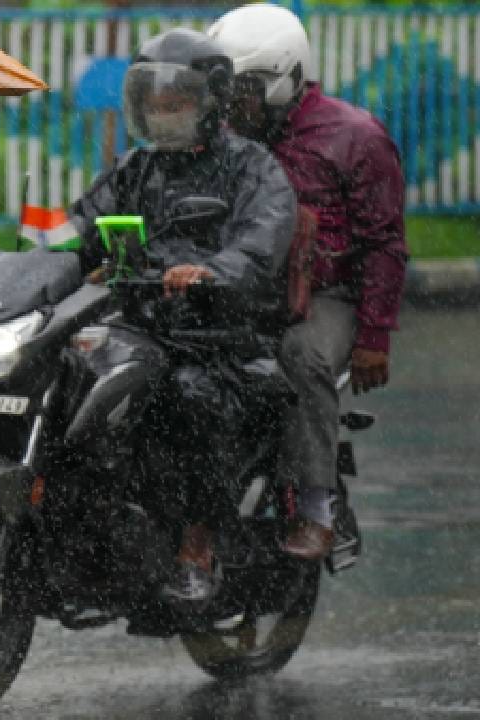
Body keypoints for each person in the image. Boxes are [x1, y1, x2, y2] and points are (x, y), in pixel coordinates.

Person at [65, 28, 296, 605]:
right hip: (140, 327)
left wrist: (211, 271)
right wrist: (15, 263)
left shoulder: (252, 167)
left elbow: (261, 242)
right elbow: (78, 231)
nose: (163, 113)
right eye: (155, 104)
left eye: (177, 103)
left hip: (218, 335)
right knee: (63, 378)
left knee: (191, 397)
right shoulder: (135, 168)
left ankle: (198, 546)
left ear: (211, 102)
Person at [208, 3, 407, 560]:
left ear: (286, 76)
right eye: (225, 90)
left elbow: (385, 244)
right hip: (242, 290)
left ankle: (318, 506)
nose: (232, 104)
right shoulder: (224, 139)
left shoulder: (356, 137)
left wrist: (374, 337)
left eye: (244, 90)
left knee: (302, 355)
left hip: (327, 295)